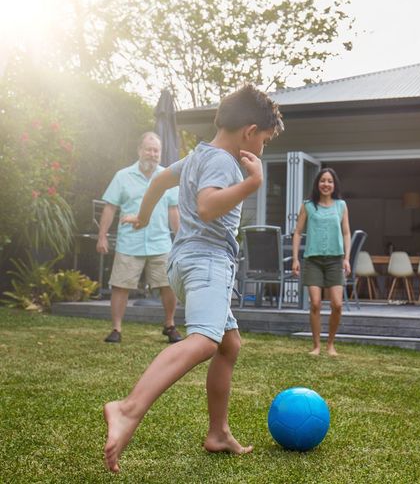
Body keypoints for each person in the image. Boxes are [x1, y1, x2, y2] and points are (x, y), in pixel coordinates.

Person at [102, 85, 283, 473]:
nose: (262, 148)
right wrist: (252, 184)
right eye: (265, 140)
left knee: (229, 344)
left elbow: (160, 182)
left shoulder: (199, 155)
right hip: (207, 263)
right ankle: (127, 408)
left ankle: (217, 432)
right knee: (204, 341)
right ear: (250, 131)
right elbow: (206, 205)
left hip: (183, 262)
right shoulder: (223, 161)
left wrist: (145, 215)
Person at [97, 132, 182, 344]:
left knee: (169, 284)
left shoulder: (168, 177)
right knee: (120, 285)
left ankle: (170, 325)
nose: (152, 154)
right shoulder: (122, 176)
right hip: (129, 242)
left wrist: (180, 239)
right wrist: (102, 236)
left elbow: (173, 211)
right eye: (148, 149)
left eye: (156, 151)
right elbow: (110, 207)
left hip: (160, 241)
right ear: (139, 151)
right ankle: (116, 329)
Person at [292, 168, 351, 357]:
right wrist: (295, 259)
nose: (326, 184)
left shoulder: (341, 206)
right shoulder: (308, 206)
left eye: (330, 181)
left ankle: (331, 344)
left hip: (335, 260)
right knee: (315, 303)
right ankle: (316, 345)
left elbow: (346, 232)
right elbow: (298, 232)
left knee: (337, 304)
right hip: (313, 260)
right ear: (318, 184)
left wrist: (347, 258)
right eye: (323, 181)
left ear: (334, 185)